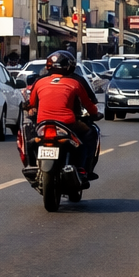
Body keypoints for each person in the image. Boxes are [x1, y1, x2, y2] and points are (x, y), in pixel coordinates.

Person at [27, 50, 100, 180]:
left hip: (43, 123)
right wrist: (95, 114)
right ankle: (83, 169)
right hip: (67, 123)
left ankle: (32, 165)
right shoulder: (75, 82)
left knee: (31, 139)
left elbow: (31, 104)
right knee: (89, 135)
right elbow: (89, 104)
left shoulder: (39, 82)